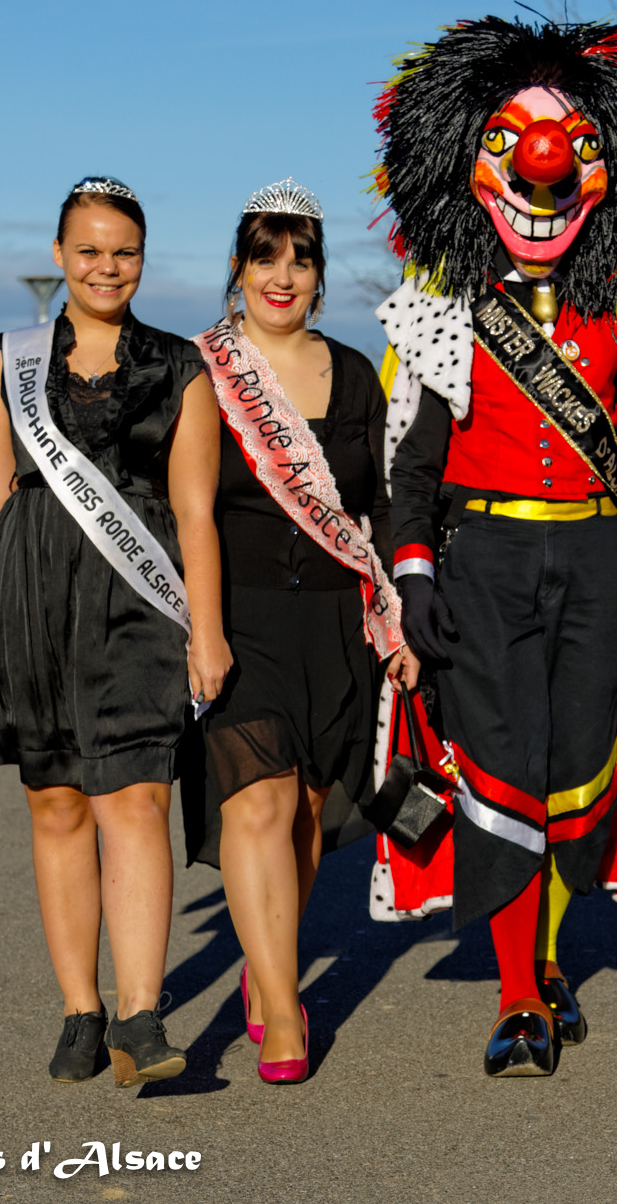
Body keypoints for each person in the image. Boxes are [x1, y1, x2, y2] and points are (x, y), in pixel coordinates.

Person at [372, 17, 617, 1077]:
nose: (545, 166)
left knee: (579, 774)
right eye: (513, 138)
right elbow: (412, 472)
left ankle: (549, 961)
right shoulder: (444, 315)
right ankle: (518, 992)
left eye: (571, 143)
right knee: (501, 773)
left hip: (601, 570)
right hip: (485, 567)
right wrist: (414, 574)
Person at [0, 176, 230, 1087]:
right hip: (28, 594)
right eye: (89, 250)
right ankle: (79, 1011)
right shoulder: (6, 360)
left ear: (144, 259)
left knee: (134, 797)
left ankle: (141, 1014)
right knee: (55, 803)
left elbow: (196, 513)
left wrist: (206, 633)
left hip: (138, 603)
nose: (107, 266)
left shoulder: (181, 368)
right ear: (59, 257)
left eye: (124, 251)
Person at [184, 178, 416, 1084]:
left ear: (319, 274)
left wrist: (401, 614)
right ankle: (282, 1007)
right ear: (237, 268)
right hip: (240, 617)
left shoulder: (356, 373)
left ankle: (265, 957)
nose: (283, 275)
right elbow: (185, 509)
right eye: (265, 255)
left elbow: (385, 503)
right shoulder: (202, 370)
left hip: (336, 620)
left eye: (301, 257)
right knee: (259, 804)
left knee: (312, 809)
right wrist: (200, 628)